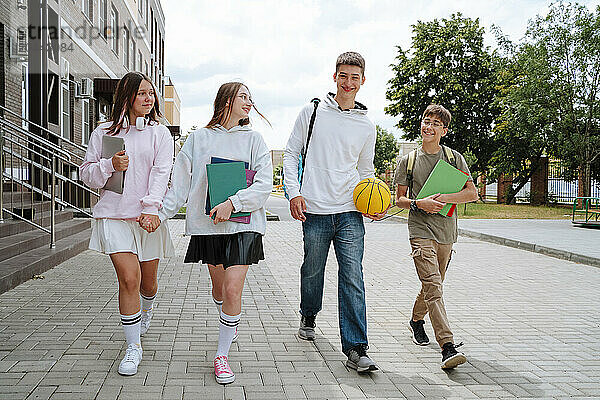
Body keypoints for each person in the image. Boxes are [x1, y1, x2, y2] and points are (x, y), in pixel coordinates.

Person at [159, 82, 272, 385]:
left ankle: (221, 355)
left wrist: (233, 202)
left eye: (251, 97)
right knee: (220, 291)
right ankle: (229, 318)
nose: (249, 102)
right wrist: (160, 214)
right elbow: (180, 184)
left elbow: (263, 185)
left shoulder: (255, 140)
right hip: (209, 227)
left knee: (234, 290)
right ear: (226, 101)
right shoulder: (198, 139)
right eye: (243, 96)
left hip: (244, 226)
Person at [283, 52, 385, 373]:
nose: (349, 82)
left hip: (350, 213)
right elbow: (290, 153)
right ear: (335, 77)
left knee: (352, 275)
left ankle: (356, 347)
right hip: (314, 209)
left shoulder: (367, 125)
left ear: (363, 81)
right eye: (344, 75)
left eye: (355, 77)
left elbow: (366, 170)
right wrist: (294, 192)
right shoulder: (312, 112)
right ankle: (309, 314)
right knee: (312, 270)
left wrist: (375, 203)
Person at [80, 72, 175, 376]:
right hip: (113, 215)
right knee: (129, 280)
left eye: (152, 94)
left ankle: (147, 309)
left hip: (146, 218)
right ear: (127, 96)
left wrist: (151, 209)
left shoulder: (159, 134)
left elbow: (162, 174)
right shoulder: (104, 132)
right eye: (143, 93)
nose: (149, 99)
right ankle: (133, 346)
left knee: (148, 283)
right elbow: (87, 174)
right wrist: (110, 165)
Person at [393, 104, 478, 369]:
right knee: (433, 285)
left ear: (444, 130)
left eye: (435, 124)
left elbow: (472, 193)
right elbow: (400, 200)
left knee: (433, 284)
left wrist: (443, 198)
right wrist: (420, 203)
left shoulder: (454, 159)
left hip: (446, 232)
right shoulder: (409, 161)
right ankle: (447, 346)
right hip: (420, 229)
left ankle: (416, 320)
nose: (428, 127)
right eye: (425, 121)